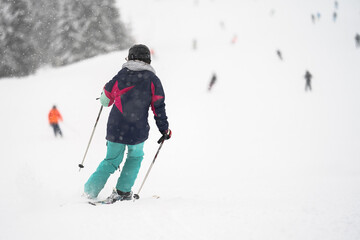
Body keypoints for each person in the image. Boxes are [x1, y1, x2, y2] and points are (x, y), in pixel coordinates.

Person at [84, 44, 172, 202]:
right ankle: (123, 192)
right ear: (148, 60)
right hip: (137, 129)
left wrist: (105, 96)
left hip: (116, 127)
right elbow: (158, 107)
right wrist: (164, 129)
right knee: (135, 157)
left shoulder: (120, 75)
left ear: (129, 58)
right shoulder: (153, 80)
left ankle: (89, 191)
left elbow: (105, 101)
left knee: (111, 160)